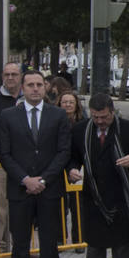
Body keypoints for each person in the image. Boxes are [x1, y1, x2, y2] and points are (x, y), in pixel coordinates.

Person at [0, 70, 72, 258]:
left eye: (39, 84)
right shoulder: (8, 116)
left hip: (49, 191)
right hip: (20, 192)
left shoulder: (58, 115)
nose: (35, 88)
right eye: (30, 84)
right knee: (20, 247)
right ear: (22, 86)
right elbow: (4, 153)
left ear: (45, 87)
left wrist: (44, 180)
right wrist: (25, 179)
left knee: (50, 245)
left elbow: (63, 151)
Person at [70, 93, 129, 258]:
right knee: (95, 251)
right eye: (96, 117)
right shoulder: (81, 130)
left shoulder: (128, 129)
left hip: (121, 199)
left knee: (122, 250)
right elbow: (73, 156)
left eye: (104, 117)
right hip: (93, 199)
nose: (100, 121)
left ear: (112, 111)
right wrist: (73, 169)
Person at [0, 61, 23, 253]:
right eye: (7, 74)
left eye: (14, 74)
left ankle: (20, 243)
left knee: (20, 206)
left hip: (24, 161)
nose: (10, 78)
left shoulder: (27, 99)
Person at [57, 89, 86, 245]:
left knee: (78, 206)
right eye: (64, 102)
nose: (67, 105)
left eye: (71, 102)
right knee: (60, 206)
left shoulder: (83, 122)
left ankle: (79, 239)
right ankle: (60, 239)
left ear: (76, 105)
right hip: (58, 168)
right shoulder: (54, 120)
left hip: (77, 167)